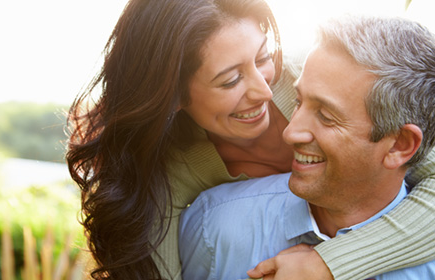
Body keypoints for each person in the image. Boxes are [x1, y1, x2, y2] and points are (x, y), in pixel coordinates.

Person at [65, 0, 435, 278]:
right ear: (173, 95)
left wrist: (327, 266)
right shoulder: (171, 173)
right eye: (230, 80)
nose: (264, 90)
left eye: (262, 57)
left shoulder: (325, 78)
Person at [179, 15, 435, 280]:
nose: (290, 133)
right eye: (298, 101)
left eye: (325, 115)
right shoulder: (213, 226)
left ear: (400, 145)